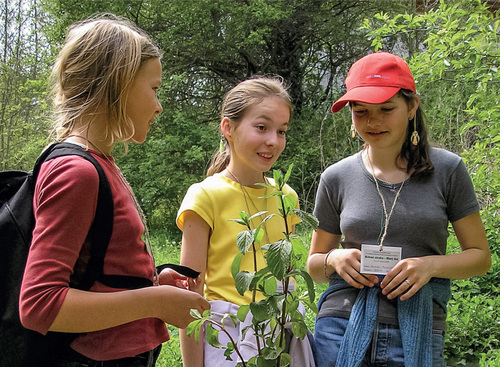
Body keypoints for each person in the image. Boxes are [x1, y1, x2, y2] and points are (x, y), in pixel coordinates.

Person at [19, 14, 209, 367]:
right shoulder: (77, 171)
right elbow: (40, 304)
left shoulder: (99, 163)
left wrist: (148, 283)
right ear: (117, 84)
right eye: (153, 88)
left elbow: (93, 269)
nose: (159, 105)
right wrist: (154, 302)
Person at [307, 51, 491, 367]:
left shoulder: (447, 170)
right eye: (360, 111)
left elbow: (479, 258)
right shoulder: (336, 177)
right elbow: (313, 265)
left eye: (386, 109)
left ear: (411, 106)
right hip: (341, 322)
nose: (373, 121)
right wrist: (335, 258)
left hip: (417, 326)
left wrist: (429, 266)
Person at [176, 76, 306, 366]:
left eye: (282, 131)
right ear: (228, 128)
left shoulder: (286, 196)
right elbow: (190, 299)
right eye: (261, 127)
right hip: (227, 345)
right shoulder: (205, 196)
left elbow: (289, 280)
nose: (273, 141)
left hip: (281, 344)